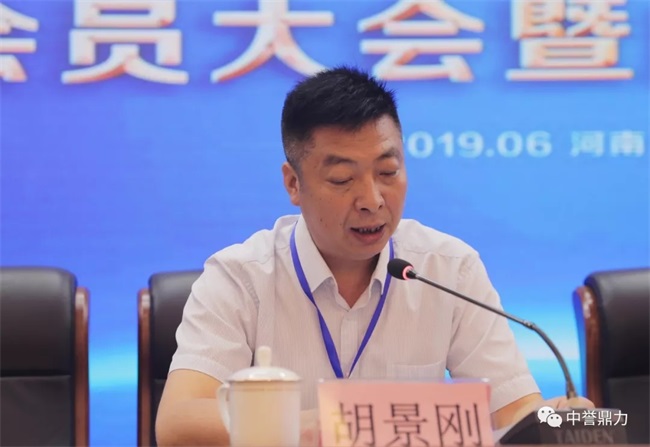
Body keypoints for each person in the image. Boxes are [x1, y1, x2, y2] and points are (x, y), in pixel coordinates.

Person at [155, 66, 591, 446]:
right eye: (342, 179)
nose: (372, 200)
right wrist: (321, 427)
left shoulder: (447, 269)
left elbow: (512, 414)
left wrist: (560, 420)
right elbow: (177, 424)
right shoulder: (240, 278)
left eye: (388, 172)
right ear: (293, 184)